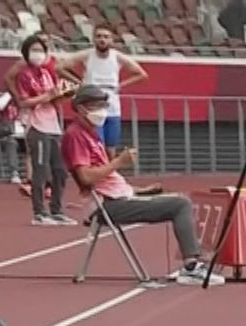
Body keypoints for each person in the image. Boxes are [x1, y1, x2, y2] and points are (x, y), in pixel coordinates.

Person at [61, 84, 224, 285]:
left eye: (104, 105)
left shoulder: (91, 133)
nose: (102, 110)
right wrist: (119, 162)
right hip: (108, 205)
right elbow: (85, 177)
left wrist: (138, 190)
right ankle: (191, 267)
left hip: (117, 198)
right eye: (97, 106)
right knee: (180, 205)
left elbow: (107, 181)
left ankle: (193, 263)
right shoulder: (75, 135)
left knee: (179, 199)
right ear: (81, 108)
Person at [8, 34, 76, 225]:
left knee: (60, 170)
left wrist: (65, 94)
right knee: (40, 169)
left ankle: (56, 210)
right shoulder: (24, 75)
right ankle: (39, 213)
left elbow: (54, 98)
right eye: (34, 50)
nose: (38, 54)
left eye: (41, 50)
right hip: (36, 126)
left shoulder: (47, 73)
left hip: (52, 125)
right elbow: (24, 101)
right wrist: (47, 96)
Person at [59, 26, 147, 152]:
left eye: (106, 37)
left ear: (111, 40)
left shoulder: (117, 57)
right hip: (92, 103)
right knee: (95, 143)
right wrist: (79, 83)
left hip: (112, 104)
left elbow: (141, 74)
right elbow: (60, 67)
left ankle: (110, 170)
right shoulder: (87, 55)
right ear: (94, 39)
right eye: (99, 36)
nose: (102, 40)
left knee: (111, 146)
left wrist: (121, 85)